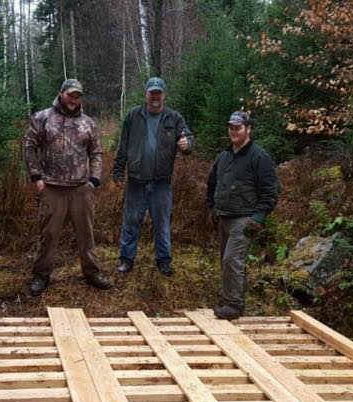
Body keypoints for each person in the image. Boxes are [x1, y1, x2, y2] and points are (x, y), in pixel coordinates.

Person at [23, 79, 111, 296]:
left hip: (81, 188)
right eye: (71, 94)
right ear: (61, 93)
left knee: (86, 234)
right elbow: (29, 146)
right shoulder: (42, 118)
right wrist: (36, 177)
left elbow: (96, 153)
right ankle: (41, 275)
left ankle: (92, 273)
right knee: (49, 234)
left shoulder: (88, 123)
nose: (74, 99)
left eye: (78, 96)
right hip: (52, 187)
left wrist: (94, 180)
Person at [112, 76, 194, 276]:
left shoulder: (174, 118)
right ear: (146, 94)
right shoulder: (133, 116)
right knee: (130, 222)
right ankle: (126, 259)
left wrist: (187, 145)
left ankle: (163, 261)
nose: (155, 96)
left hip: (161, 182)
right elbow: (123, 146)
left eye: (158, 93)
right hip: (136, 181)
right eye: (152, 92)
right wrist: (117, 170)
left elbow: (188, 138)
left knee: (162, 224)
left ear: (163, 95)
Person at [205, 111, 280, 320]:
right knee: (227, 261)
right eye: (231, 127)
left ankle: (234, 305)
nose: (234, 131)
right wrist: (212, 207)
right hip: (223, 216)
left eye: (238, 127)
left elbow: (270, 191)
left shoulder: (259, 157)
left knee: (232, 260)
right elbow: (211, 184)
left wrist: (258, 217)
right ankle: (234, 301)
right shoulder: (223, 157)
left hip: (244, 218)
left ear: (248, 129)